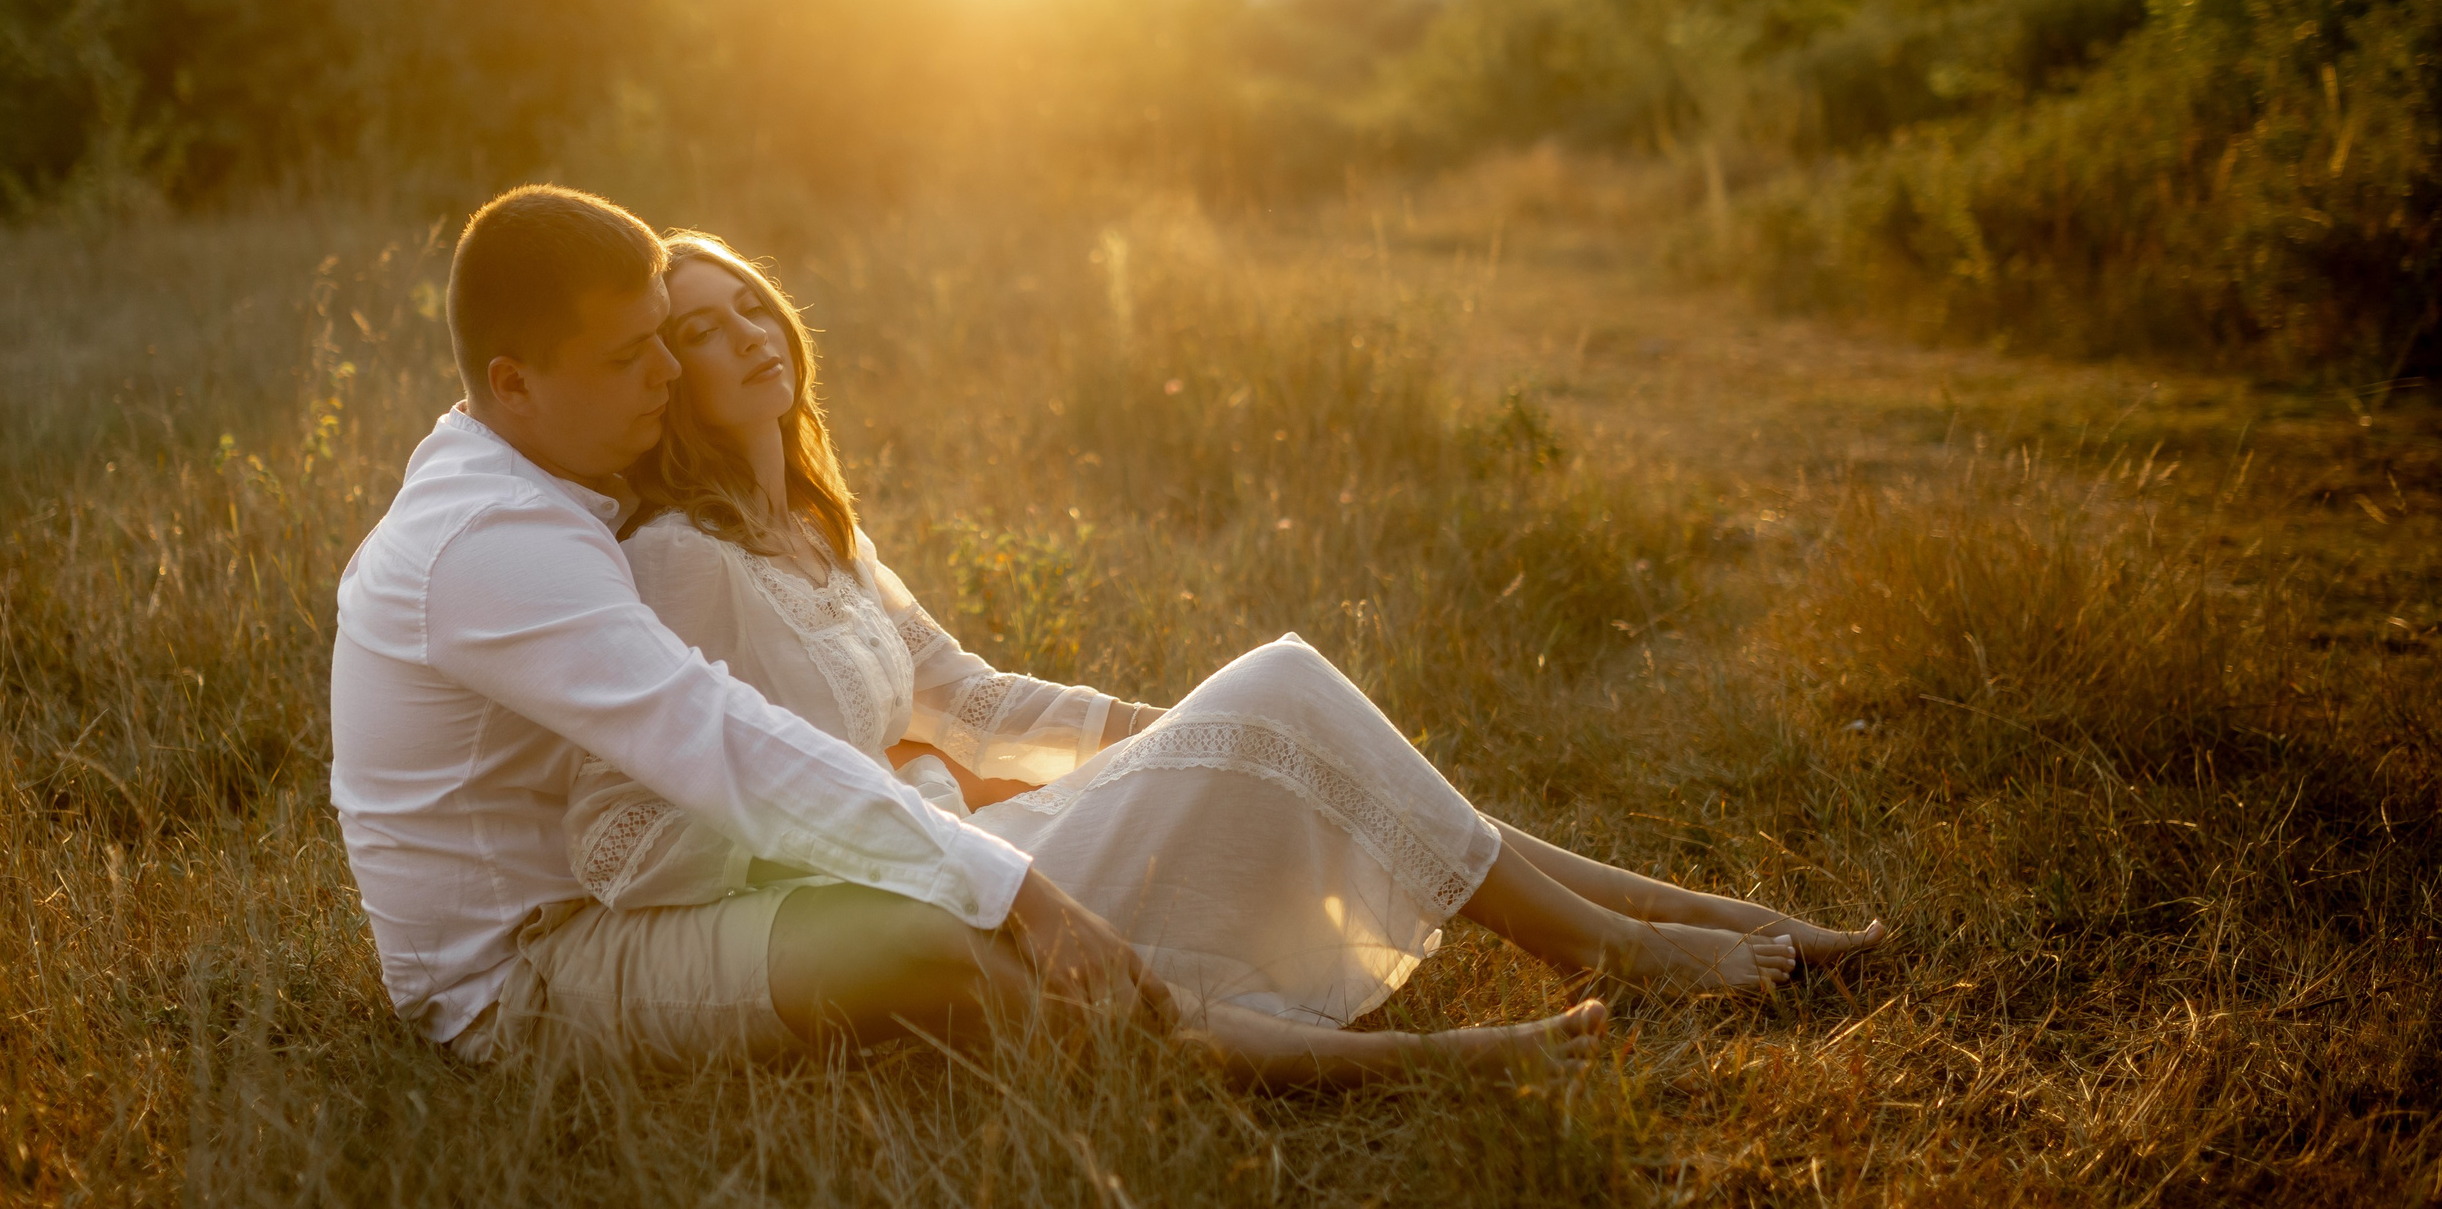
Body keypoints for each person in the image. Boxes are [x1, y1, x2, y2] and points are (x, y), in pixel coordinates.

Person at [329, 185, 1609, 1086]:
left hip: (653, 887)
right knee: (926, 931)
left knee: (1153, 779)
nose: (669, 378)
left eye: (680, 342)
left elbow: (945, 691)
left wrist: (1140, 742)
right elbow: (710, 737)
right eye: (636, 359)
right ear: (512, 383)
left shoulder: (566, 482)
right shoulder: (495, 545)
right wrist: (1006, 879)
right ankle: (1327, 1066)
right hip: (525, 975)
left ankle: (1607, 934)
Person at [559, 230, 1888, 1044]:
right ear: (663, 381)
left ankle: (1663, 916)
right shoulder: (681, 558)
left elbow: (965, 691)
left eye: (747, 305)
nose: (741, 334)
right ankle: (1620, 937)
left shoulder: (811, 521)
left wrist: (1159, 726)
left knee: (1289, 709)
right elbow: (645, 820)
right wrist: (867, 812)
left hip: (979, 844)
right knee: (1294, 688)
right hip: (930, 885)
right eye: (695, 330)